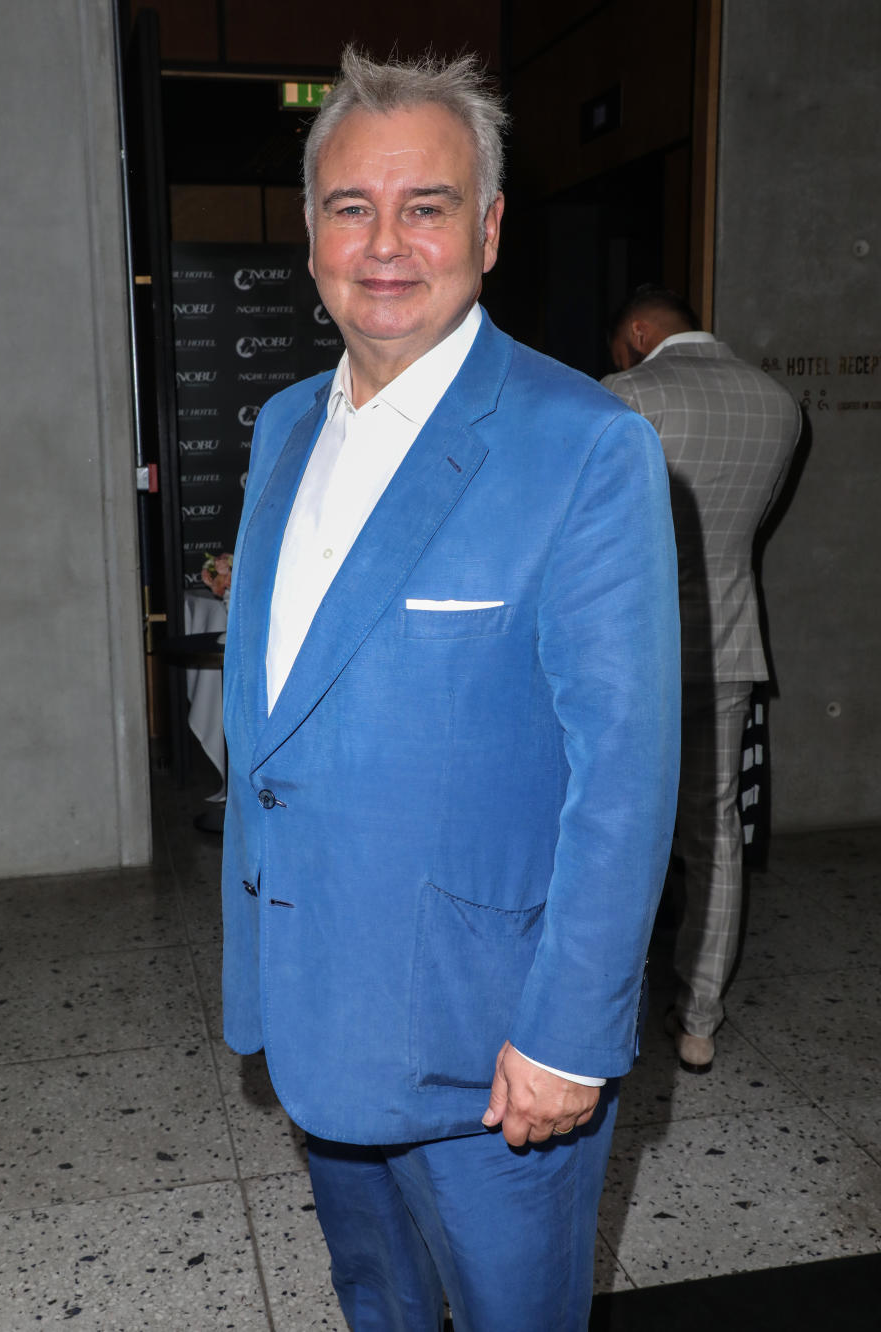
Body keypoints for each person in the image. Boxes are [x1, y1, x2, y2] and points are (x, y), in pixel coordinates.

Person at [220, 49, 680, 1331]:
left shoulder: (586, 444)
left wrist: (569, 1038)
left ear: (484, 230)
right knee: (374, 1302)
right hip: (317, 1006)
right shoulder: (283, 429)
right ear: (312, 232)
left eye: (425, 206)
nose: (383, 244)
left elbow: (626, 776)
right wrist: (257, 966)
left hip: (490, 1054)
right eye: (350, 207)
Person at [603, 285, 801, 1075]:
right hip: (727, 645)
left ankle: (611, 1009)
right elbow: (749, 530)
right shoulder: (780, 406)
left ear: (640, 333)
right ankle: (699, 1019)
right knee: (714, 834)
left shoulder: (625, 395)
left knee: (619, 828)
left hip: (631, 651)